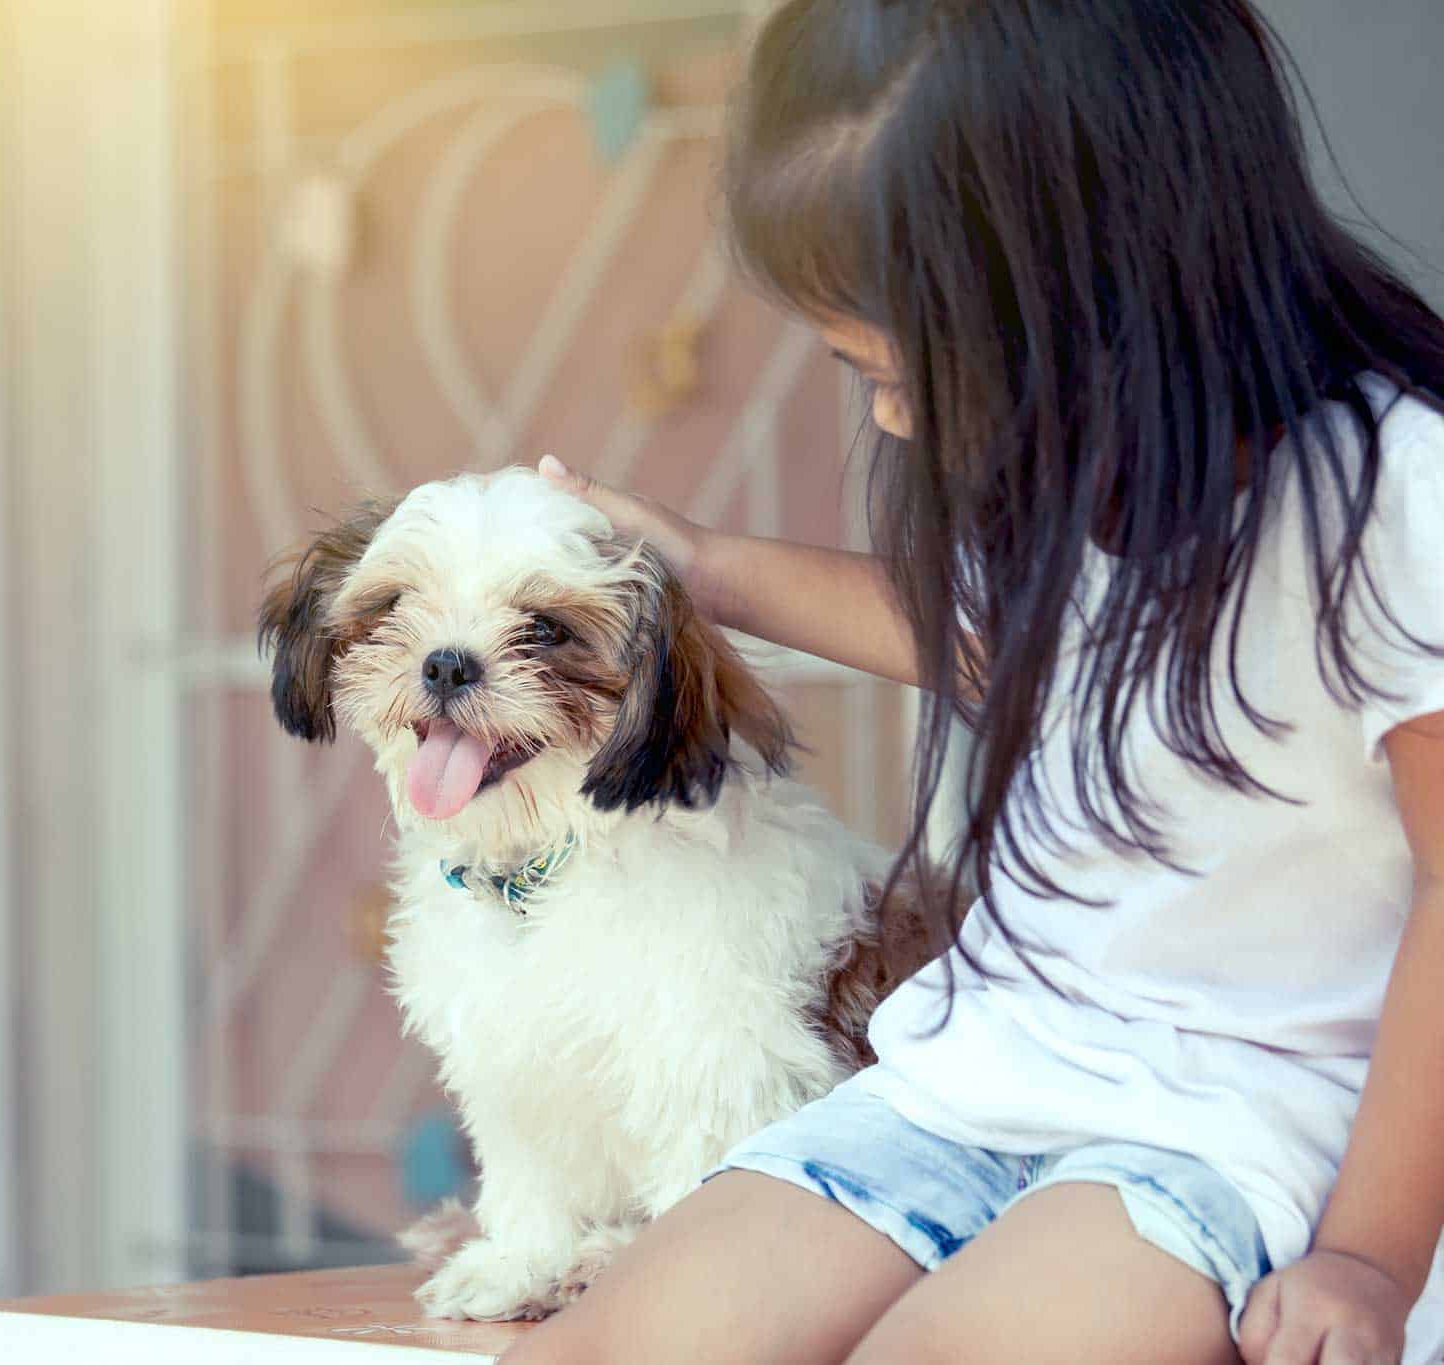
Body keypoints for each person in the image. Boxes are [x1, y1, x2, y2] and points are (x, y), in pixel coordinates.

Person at [503, 3, 1444, 1362]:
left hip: (1239, 1116)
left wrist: (1372, 1253)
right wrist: (706, 566)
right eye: (856, 366)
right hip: (986, 1069)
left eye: (905, 363)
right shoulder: (1082, 465)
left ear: (1114, 278)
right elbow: (992, 642)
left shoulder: (1396, 495)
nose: (892, 415)